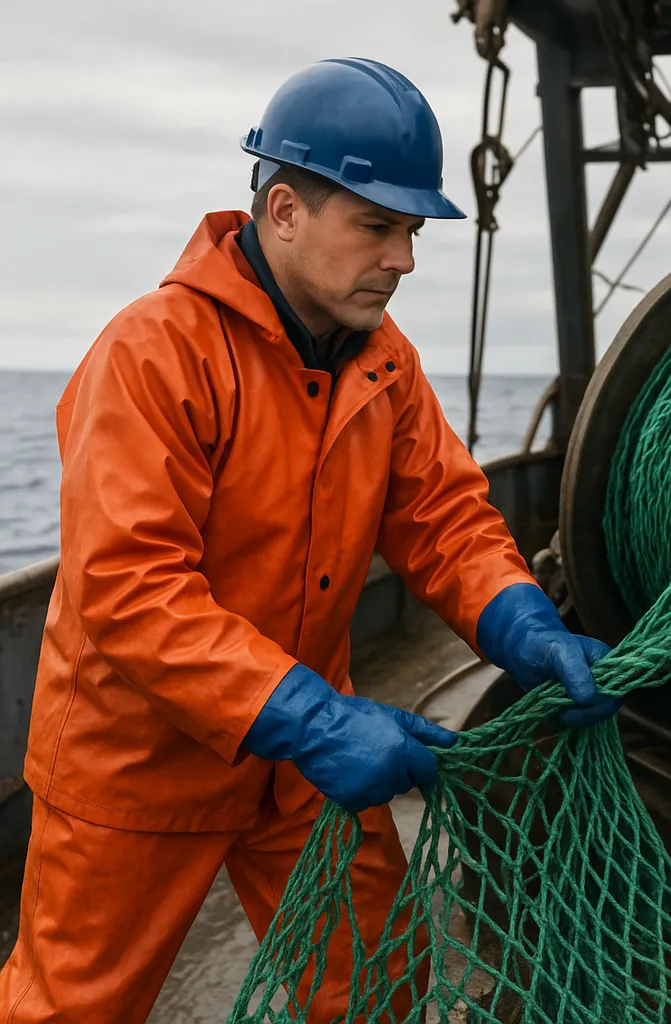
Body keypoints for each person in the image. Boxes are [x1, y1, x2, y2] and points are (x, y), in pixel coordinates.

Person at [0, 58, 616, 1023]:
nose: (403, 259)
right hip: (136, 761)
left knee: (381, 983)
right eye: (377, 226)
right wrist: (317, 720)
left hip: (299, 764)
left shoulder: (385, 363)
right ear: (282, 211)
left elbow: (445, 519)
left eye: (411, 231)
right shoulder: (152, 354)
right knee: (70, 1008)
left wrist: (521, 622)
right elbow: (131, 587)